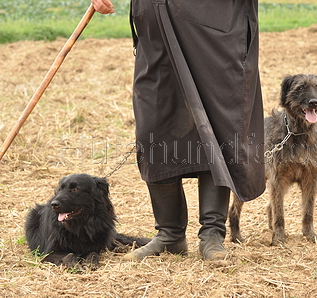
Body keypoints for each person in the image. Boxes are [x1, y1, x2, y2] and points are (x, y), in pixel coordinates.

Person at [91, 0, 265, 261]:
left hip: (214, 26)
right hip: (155, 26)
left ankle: (212, 235)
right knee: (155, 124)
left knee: (215, 123)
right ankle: (170, 235)